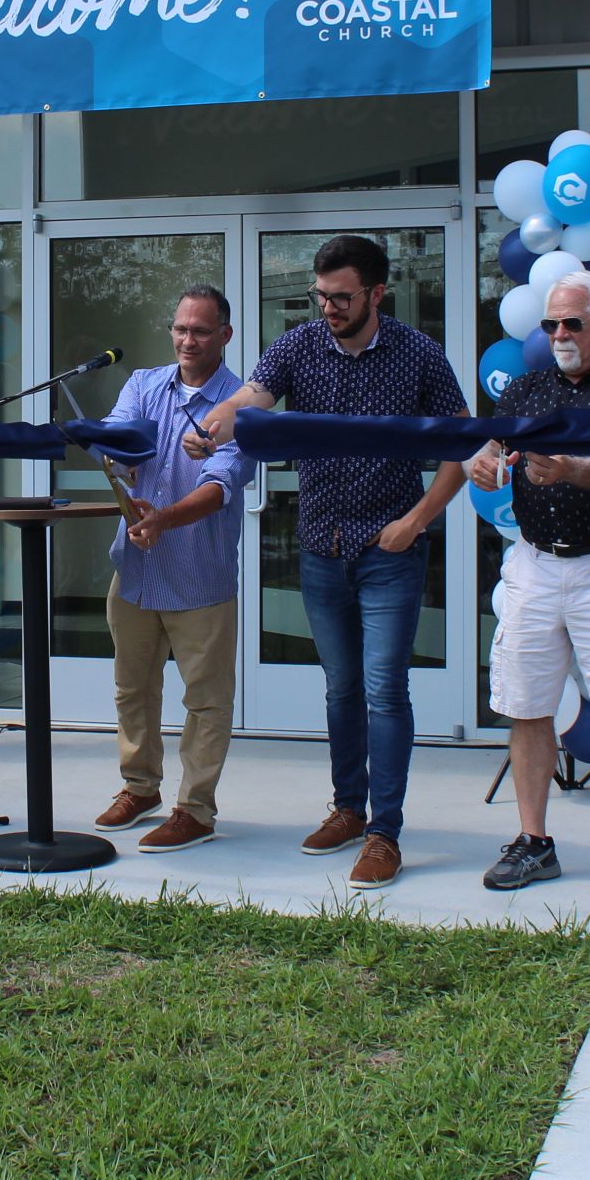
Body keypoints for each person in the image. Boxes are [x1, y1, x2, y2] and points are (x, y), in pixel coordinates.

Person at [188, 235, 468, 891]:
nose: (328, 307)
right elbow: (253, 395)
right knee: (341, 688)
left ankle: (384, 833)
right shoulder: (301, 344)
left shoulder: (418, 353)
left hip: (390, 551)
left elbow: (462, 441)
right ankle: (348, 807)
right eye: (320, 295)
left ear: (377, 293)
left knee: (383, 690)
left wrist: (416, 520)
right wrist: (213, 422)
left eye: (341, 297)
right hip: (321, 547)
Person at [468, 271, 590, 899]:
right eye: (550, 323)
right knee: (526, 705)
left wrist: (573, 468)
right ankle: (534, 841)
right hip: (533, 562)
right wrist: (483, 460)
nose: (558, 334)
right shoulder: (523, 391)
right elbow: (492, 452)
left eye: (571, 323)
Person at [95, 285, 253, 855]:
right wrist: (115, 455)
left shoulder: (240, 403)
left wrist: (163, 518)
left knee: (205, 702)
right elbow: (118, 439)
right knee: (131, 689)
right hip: (135, 570)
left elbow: (220, 486)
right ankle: (140, 789)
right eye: (181, 329)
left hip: (199, 575)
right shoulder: (142, 384)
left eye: (202, 331)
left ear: (225, 336)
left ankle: (195, 810)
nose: (188, 340)